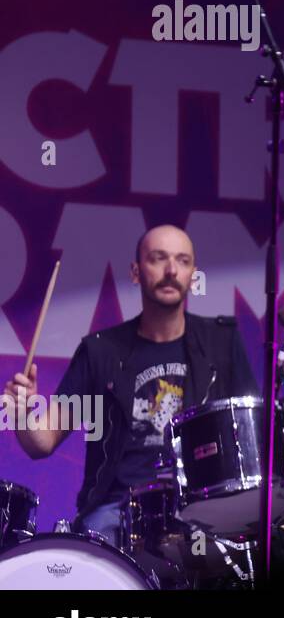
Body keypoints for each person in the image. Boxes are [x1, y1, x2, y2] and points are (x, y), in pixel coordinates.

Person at [3, 224, 256, 547]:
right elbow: (42, 443)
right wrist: (24, 414)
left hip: (202, 507)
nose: (170, 270)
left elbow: (251, 444)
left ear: (193, 274)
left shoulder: (221, 343)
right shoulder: (100, 351)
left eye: (182, 260)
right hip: (117, 510)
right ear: (136, 272)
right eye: (158, 258)